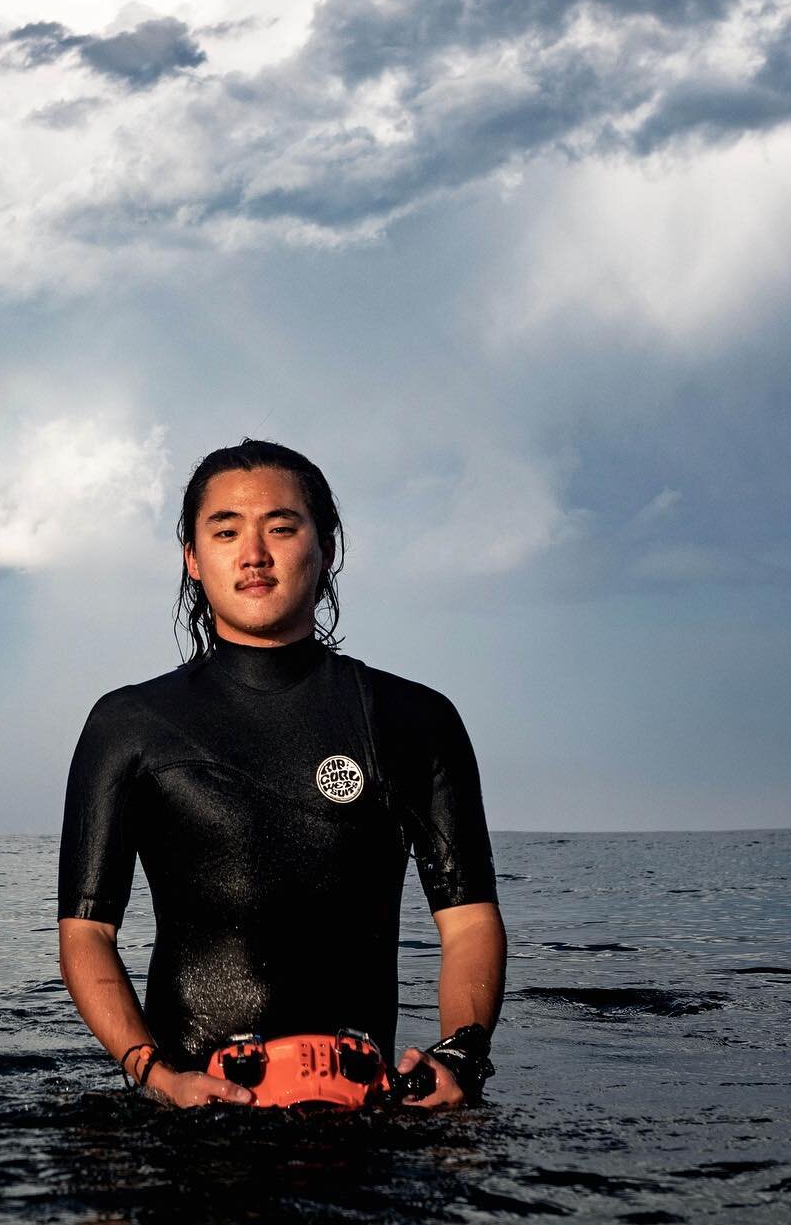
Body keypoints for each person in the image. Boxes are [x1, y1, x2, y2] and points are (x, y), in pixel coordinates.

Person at [57, 440, 506, 1108]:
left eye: (282, 527)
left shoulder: (413, 718)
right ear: (192, 559)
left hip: (362, 1123)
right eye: (226, 531)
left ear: (326, 549)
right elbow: (86, 934)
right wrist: (157, 1076)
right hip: (190, 1123)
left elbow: (468, 920)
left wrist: (460, 1054)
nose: (254, 553)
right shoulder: (129, 723)